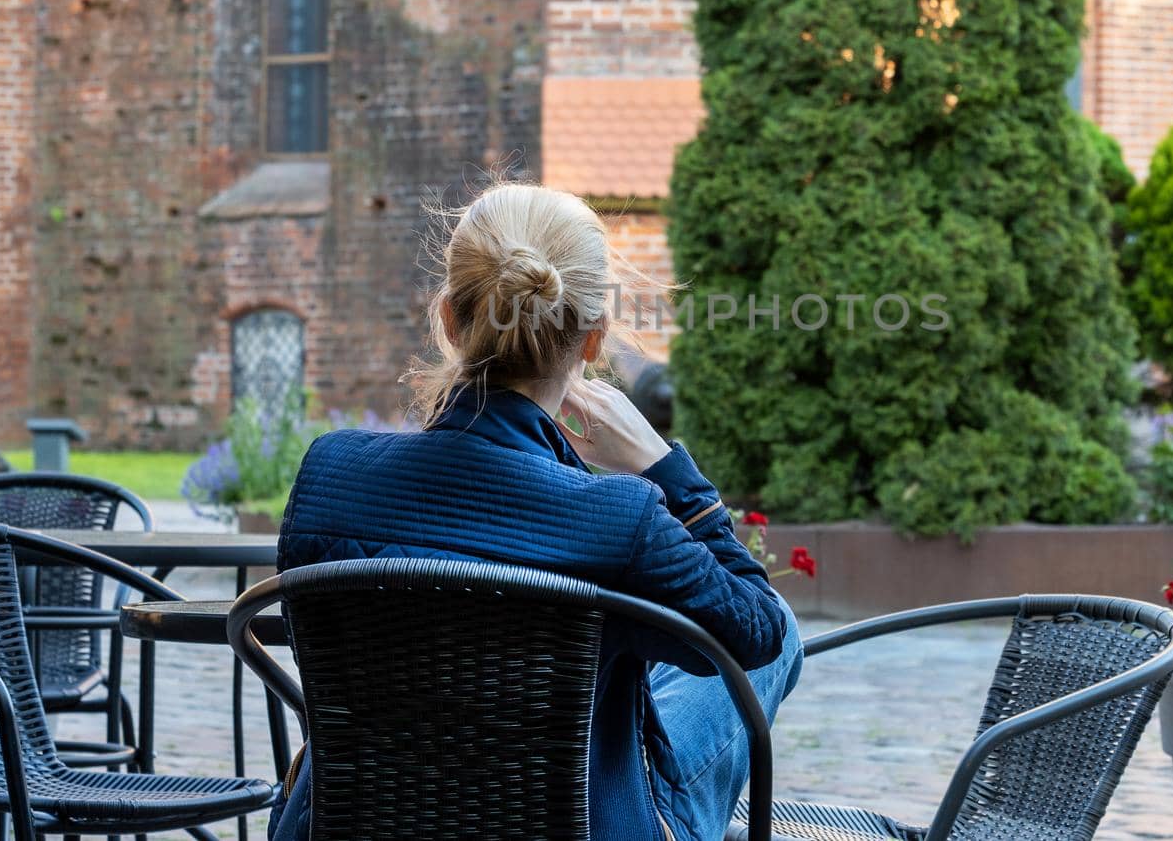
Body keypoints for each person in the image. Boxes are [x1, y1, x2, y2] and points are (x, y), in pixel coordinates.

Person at [269, 182, 803, 841]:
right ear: (592, 342)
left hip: (348, 825)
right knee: (771, 633)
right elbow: (759, 629)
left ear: (448, 319)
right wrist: (666, 466)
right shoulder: (618, 518)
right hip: (583, 824)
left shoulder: (329, 474)